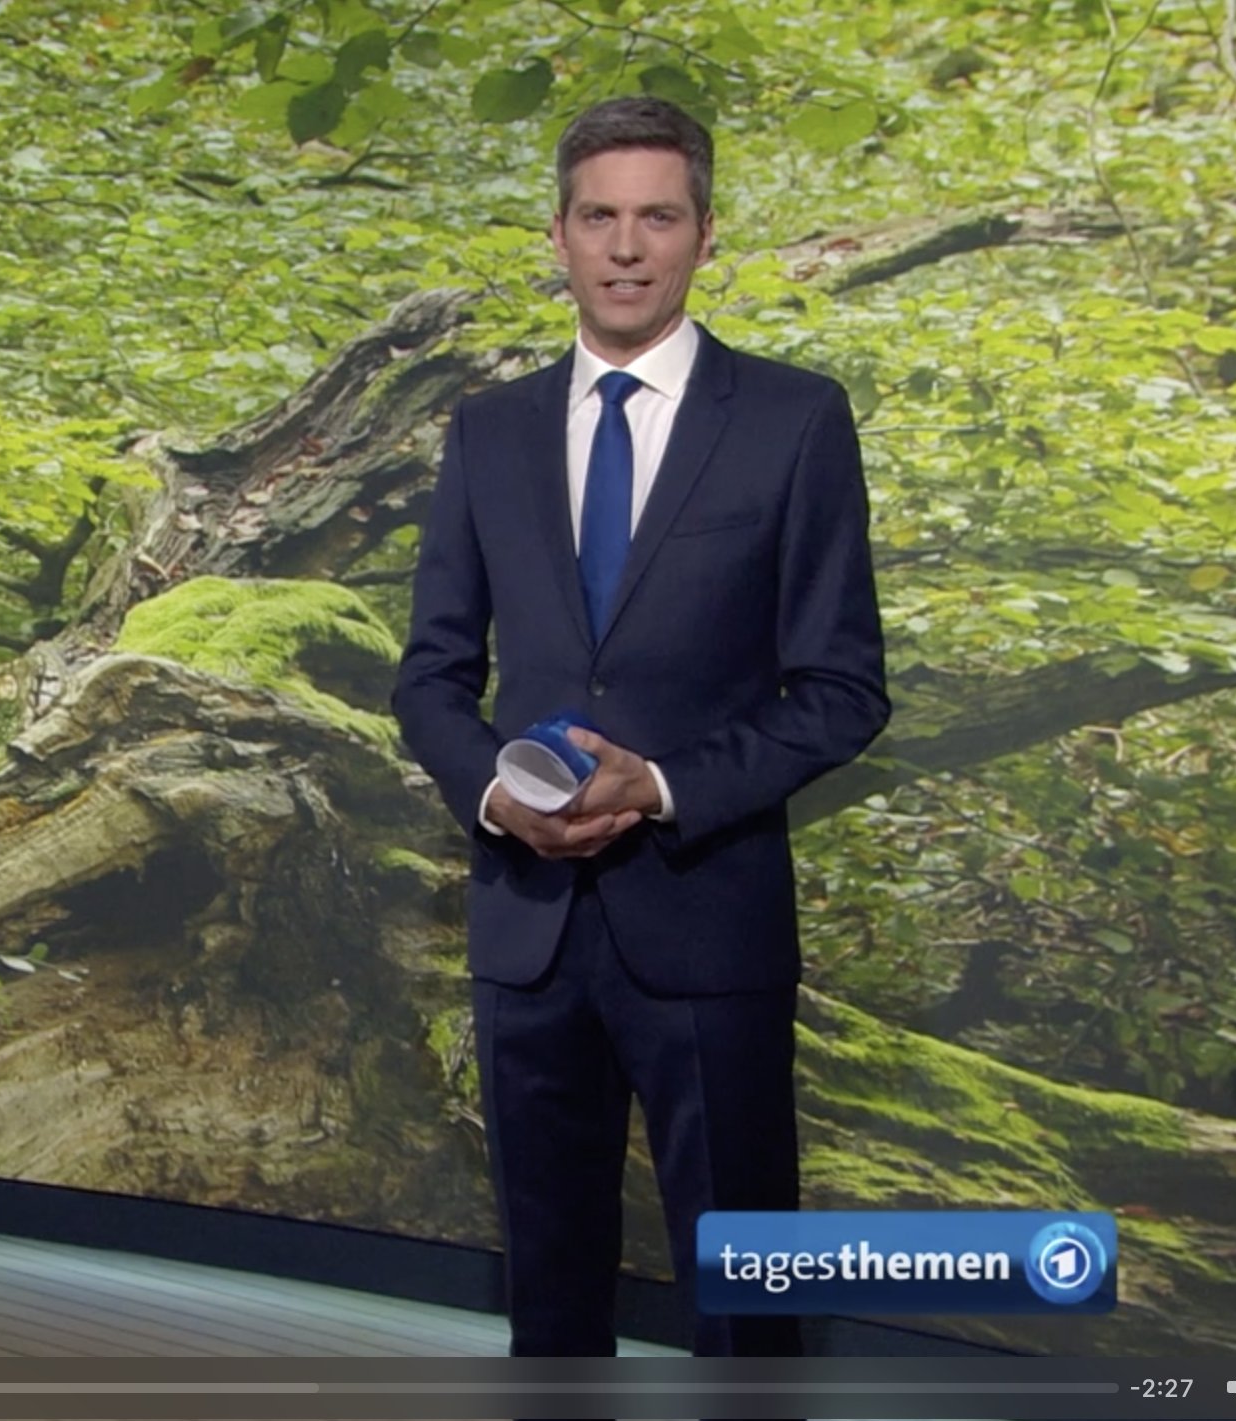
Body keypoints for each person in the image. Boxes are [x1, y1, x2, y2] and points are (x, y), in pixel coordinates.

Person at [389, 96, 889, 1358]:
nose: (625, 246)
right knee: (550, 1305)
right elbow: (430, 678)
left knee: (745, 1306)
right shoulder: (487, 432)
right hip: (529, 931)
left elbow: (842, 689)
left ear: (703, 235)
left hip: (706, 919)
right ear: (556, 236)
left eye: (656, 216)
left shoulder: (792, 420)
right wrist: (498, 798)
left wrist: (660, 783)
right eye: (599, 216)